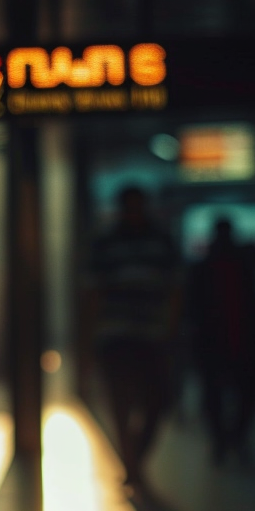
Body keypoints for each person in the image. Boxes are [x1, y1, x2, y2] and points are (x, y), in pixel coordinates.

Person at [84, 185, 182, 490]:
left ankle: (134, 459)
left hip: (151, 333)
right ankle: (132, 464)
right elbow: (92, 293)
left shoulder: (161, 241)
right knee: (121, 403)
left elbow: (176, 288)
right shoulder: (105, 243)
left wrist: (170, 329)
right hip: (116, 334)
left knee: (157, 402)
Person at [190, 218, 255, 463]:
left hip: (222, 339)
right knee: (240, 394)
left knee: (220, 395)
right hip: (233, 338)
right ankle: (231, 438)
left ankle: (226, 439)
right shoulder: (235, 265)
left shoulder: (207, 267)